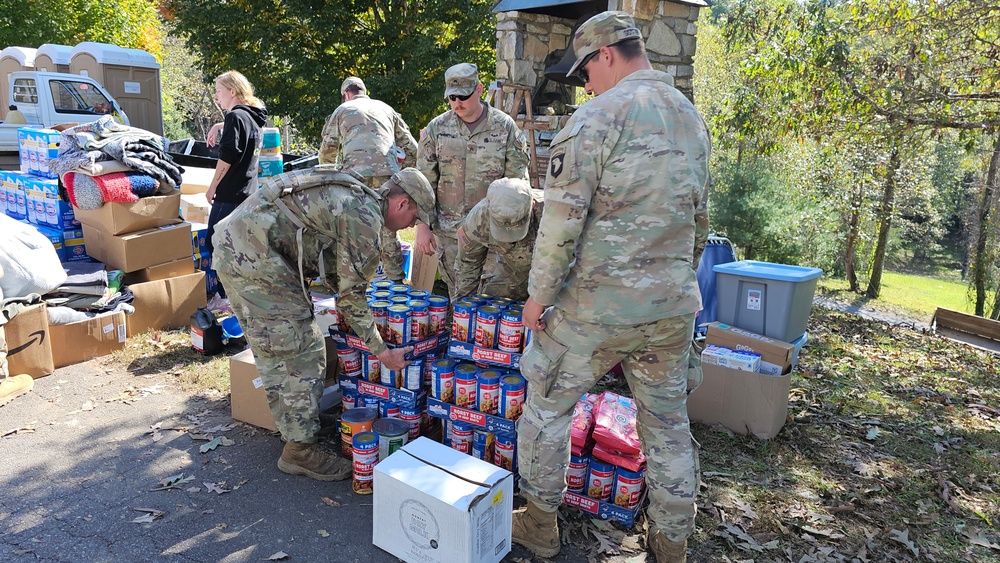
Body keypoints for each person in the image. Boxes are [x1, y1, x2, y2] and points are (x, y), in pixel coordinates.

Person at [511, 12, 711, 563]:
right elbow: (700, 223)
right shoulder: (691, 120)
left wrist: (537, 299)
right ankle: (671, 547)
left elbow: (560, 224)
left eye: (585, 73)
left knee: (547, 409)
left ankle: (541, 524)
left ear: (606, 55)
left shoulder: (596, 119)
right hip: (670, 309)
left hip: (593, 309)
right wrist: (676, 285)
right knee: (667, 427)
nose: (585, 84)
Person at [212, 166, 435, 481]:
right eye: (413, 219)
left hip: (243, 243)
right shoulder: (366, 217)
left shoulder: (358, 194)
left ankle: (297, 426)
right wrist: (382, 352)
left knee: (277, 345)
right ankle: (299, 451)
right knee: (303, 348)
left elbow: (334, 268)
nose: (409, 226)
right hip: (253, 255)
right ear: (401, 204)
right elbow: (350, 297)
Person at [415, 63, 530, 299]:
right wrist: (422, 226)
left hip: (493, 234)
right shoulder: (437, 129)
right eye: (452, 97)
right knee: (458, 296)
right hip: (450, 233)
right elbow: (423, 183)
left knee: (490, 298)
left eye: (464, 96)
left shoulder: (504, 127)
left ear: (478, 90)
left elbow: (516, 182)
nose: (458, 102)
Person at [318, 76, 418, 282]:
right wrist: (403, 174)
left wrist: (329, 180)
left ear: (346, 94)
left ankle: (358, 281)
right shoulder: (385, 108)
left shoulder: (342, 110)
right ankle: (396, 281)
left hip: (356, 177)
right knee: (388, 227)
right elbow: (412, 148)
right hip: (388, 176)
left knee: (356, 227)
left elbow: (327, 152)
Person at [205, 70, 269, 311]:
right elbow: (242, 126)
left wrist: (212, 187)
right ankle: (245, 294)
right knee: (240, 246)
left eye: (219, 91)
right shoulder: (253, 116)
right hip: (248, 192)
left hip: (229, 193)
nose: (216, 96)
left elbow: (228, 156)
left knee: (216, 244)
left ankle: (226, 297)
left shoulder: (236, 117)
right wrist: (220, 123)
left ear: (232, 91)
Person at [452, 178, 543, 301]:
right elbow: (468, 265)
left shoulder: (553, 213)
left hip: (555, 273)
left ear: (532, 205)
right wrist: (463, 307)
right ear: (489, 207)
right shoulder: (478, 220)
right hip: (514, 270)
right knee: (491, 301)